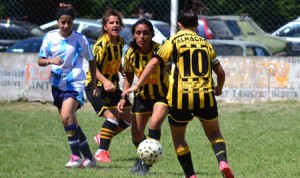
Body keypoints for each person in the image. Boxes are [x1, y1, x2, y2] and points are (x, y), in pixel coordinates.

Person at [121, 0, 235, 177]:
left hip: (180, 97)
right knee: (214, 134)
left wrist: (137, 83)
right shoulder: (205, 43)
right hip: (206, 95)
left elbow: (153, 62)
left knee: (179, 138)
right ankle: (222, 161)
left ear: (179, 25)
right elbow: (220, 72)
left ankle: (190, 175)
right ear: (196, 25)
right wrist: (218, 88)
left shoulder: (173, 41)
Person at [37, 3, 99, 168]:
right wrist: (50, 60)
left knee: (66, 115)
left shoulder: (80, 39)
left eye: (69, 22)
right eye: (62, 22)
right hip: (57, 85)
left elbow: (91, 61)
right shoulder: (49, 37)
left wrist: (93, 83)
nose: (65, 25)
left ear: (73, 22)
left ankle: (75, 157)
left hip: (75, 84)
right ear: (58, 21)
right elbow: (40, 60)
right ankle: (89, 159)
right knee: (70, 123)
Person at [117, 19, 169, 175]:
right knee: (136, 136)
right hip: (141, 97)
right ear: (133, 35)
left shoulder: (160, 51)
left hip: (162, 96)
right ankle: (143, 158)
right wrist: (123, 96)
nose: (142, 36)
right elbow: (128, 76)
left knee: (154, 124)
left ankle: (147, 164)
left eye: (146, 33)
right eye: (138, 33)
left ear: (152, 34)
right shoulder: (130, 54)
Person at [84, 7, 132, 163]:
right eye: (111, 22)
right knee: (112, 116)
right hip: (95, 86)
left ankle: (102, 137)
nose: (115, 25)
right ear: (105, 26)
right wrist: (104, 81)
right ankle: (101, 152)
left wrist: (121, 69)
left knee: (129, 118)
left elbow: (114, 61)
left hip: (113, 87)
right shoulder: (100, 45)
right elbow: (93, 67)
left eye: (117, 22)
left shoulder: (120, 42)